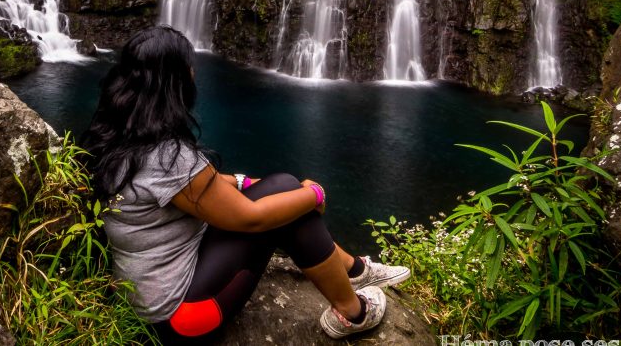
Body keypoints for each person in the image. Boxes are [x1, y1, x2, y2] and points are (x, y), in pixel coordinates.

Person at [81, 26, 410, 343]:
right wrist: (314, 194)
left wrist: (248, 181)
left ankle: (352, 270)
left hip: (145, 303)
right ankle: (353, 312)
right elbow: (251, 217)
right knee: (284, 198)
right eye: (189, 68)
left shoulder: (116, 136)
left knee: (281, 189)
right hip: (181, 319)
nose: (195, 75)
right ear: (174, 83)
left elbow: (199, 187)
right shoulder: (168, 156)